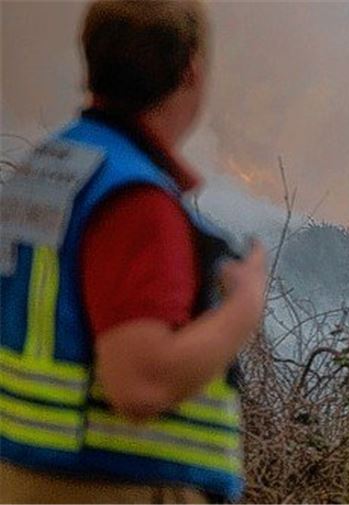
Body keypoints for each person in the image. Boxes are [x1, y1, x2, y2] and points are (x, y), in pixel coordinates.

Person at [0, 1, 266, 502]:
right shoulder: (135, 201)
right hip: (113, 486)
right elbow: (138, 385)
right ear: (191, 68)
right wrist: (243, 307)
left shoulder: (46, 172)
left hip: (28, 477)